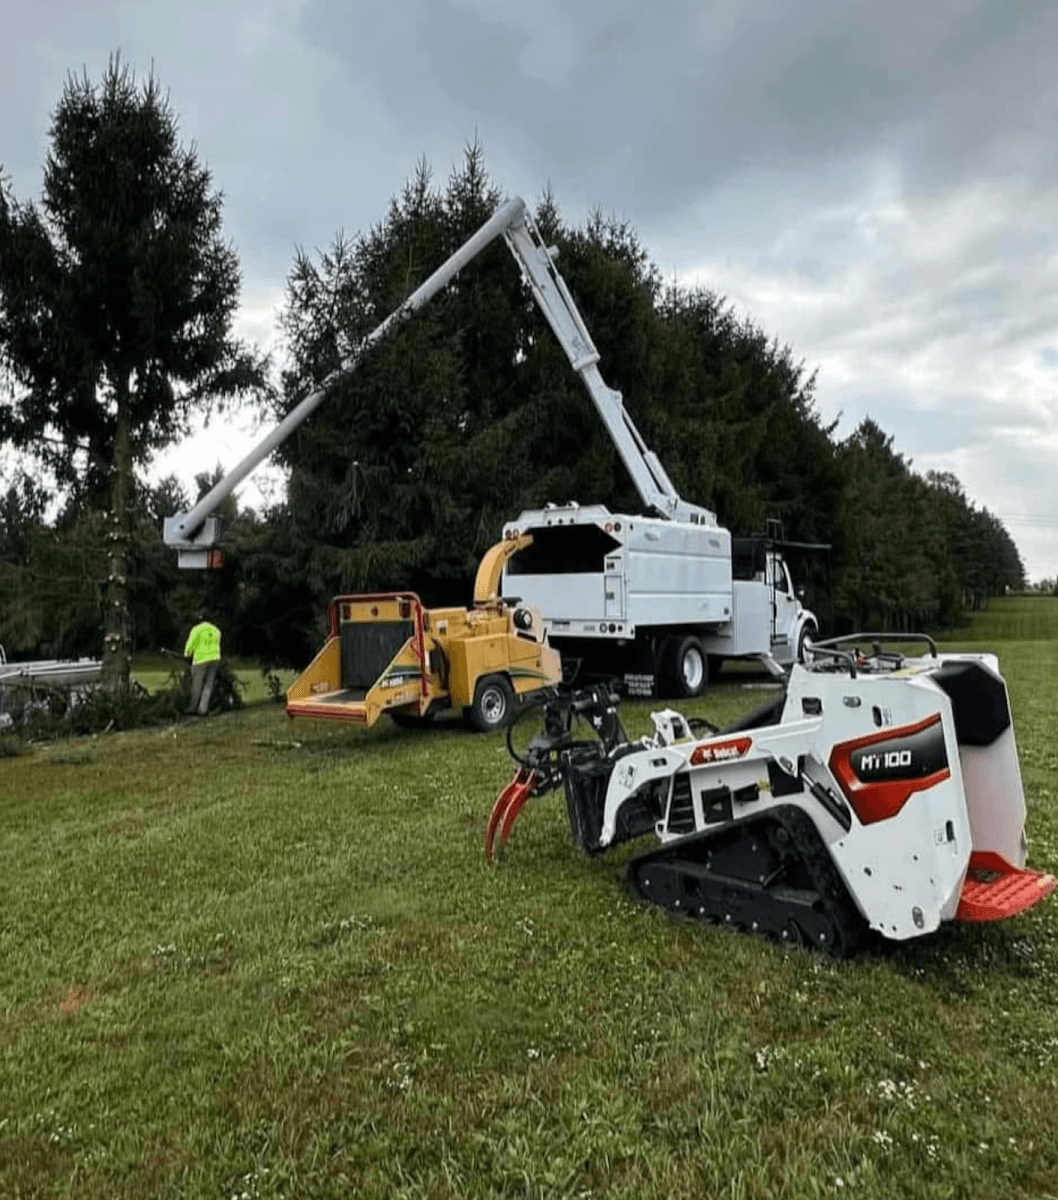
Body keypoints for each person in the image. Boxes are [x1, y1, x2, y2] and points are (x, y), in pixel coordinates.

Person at [184, 613, 222, 716]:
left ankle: (192, 707)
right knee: (208, 684)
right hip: (214, 659)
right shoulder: (216, 630)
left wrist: (187, 654)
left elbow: (191, 644)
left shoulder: (196, 629)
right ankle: (203, 709)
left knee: (197, 684)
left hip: (200, 659)